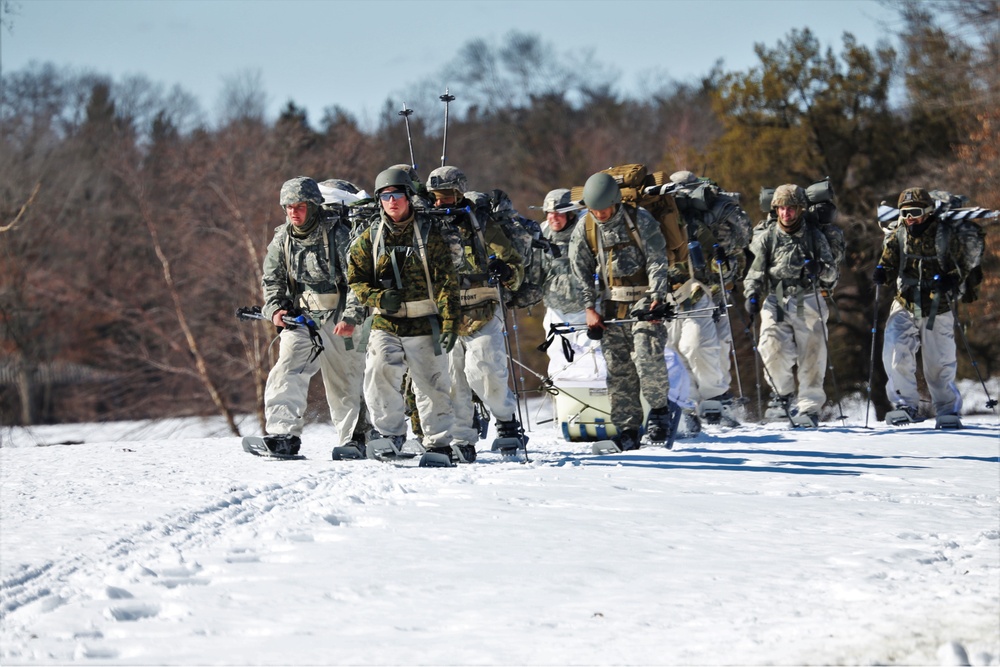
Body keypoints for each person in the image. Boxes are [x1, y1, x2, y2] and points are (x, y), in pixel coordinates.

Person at [347, 167, 473, 463]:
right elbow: (356, 278)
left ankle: (438, 442)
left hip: (425, 320)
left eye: (398, 195)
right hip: (385, 321)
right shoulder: (370, 238)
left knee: (431, 382)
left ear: (409, 197)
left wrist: (451, 321)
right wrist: (377, 297)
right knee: (379, 371)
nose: (392, 202)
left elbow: (446, 281)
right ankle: (390, 434)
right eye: (386, 196)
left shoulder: (431, 234)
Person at [259, 176, 368, 456]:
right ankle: (283, 434)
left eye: (300, 206)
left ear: (313, 205)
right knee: (287, 368)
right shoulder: (282, 238)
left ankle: (354, 437)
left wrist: (351, 317)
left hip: (340, 315)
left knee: (344, 378)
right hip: (302, 317)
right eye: (288, 207)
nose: (294, 212)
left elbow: (358, 280)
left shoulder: (339, 233)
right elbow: (272, 280)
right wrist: (275, 310)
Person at [568, 171, 675, 450]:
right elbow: (580, 270)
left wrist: (657, 296)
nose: (600, 214)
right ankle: (627, 428)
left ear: (615, 201)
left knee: (647, 355)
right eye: (594, 209)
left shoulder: (639, 219)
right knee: (618, 370)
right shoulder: (586, 227)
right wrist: (589, 308)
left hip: (644, 300)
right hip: (611, 304)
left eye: (604, 208)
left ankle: (660, 412)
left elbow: (656, 258)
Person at [424, 165, 527, 451]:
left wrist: (503, 270)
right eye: (436, 196)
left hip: (482, 310)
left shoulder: (479, 222)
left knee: (485, 369)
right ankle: (461, 438)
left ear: (459, 192)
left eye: (447, 195)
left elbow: (513, 263)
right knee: (452, 380)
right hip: (444, 315)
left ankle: (505, 420)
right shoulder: (427, 225)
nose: (440, 201)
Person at [873, 187, 981, 428]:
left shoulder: (944, 236)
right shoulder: (898, 234)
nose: (910, 218)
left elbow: (962, 267)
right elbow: (888, 263)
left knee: (939, 363)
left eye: (915, 212)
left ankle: (947, 410)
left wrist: (951, 279)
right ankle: (905, 405)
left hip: (937, 306)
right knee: (895, 351)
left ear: (929, 212)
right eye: (905, 213)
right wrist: (882, 273)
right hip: (905, 303)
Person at [743, 184, 838, 427]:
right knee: (771, 346)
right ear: (775, 210)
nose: (786, 214)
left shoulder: (814, 237)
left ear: (800, 209)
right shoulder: (767, 237)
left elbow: (832, 273)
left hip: (809, 297)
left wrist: (821, 269)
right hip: (776, 298)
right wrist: (752, 294)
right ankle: (781, 396)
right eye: (781, 209)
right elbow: (754, 271)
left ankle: (809, 407)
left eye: (791, 209)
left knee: (813, 351)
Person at [666, 171, 752, 432]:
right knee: (674, 350)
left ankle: (716, 399)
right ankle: (689, 404)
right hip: (672, 291)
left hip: (708, 289)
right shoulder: (665, 217)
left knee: (702, 346)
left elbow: (741, 241)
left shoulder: (714, 214)